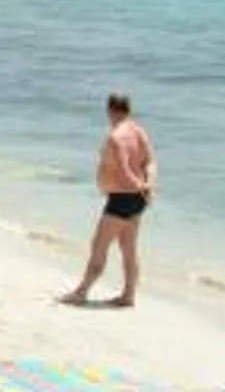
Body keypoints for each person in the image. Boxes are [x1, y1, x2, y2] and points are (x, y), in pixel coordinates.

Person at [60, 92, 158, 308]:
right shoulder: (138, 130)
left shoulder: (116, 137)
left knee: (99, 245)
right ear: (129, 110)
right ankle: (128, 295)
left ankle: (81, 292)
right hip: (136, 199)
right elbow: (150, 161)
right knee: (129, 247)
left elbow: (123, 170)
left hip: (121, 199)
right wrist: (148, 185)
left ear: (110, 111)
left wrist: (139, 186)